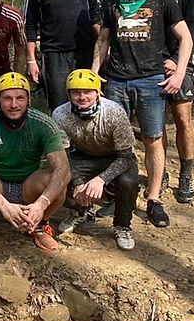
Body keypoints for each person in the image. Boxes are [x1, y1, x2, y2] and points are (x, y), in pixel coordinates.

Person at [92, 0, 193, 229]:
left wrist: (179, 72)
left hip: (151, 80)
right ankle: (118, 194)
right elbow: (103, 41)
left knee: (153, 139)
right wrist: (93, 74)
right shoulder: (111, 1)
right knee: (116, 142)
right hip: (117, 80)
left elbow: (185, 38)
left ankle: (154, 199)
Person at [0, 72, 70, 251]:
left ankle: (39, 222)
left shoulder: (44, 123)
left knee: (58, 179)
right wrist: (3, 205)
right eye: (7, 98)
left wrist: (41, 203)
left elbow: (63, 168)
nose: (14, 105)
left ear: (29, 99)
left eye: (20, 98)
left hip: (28, 184)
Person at [53, 69, 139, 251]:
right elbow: (64, 154)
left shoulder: (114, 112)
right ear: (68, 94)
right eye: (76, 92)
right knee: (58, 174)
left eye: (88, 92)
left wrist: (100, 180)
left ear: (98, 92)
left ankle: (122, 225)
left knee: (129, 181)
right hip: (82, 156)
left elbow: (125, 156)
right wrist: (77, 183)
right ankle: (79, 211)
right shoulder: (60, 114)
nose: (82, 97)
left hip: (116, 157)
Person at [23, 0, 102, 110]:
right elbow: (30, 24)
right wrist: (31, 60)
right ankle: (62, 139)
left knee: (89, 104)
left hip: (85, 51)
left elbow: (95, 15)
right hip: (54, 55)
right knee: (60, 107)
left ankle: (88, 139)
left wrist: (103, 49)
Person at [149, 0, 194, 204]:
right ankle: (163, 172)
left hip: (181, 63)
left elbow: (192, 31)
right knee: (157, 123)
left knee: (183, 119)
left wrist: (177, 62)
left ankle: (186, 173)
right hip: (152, 65)